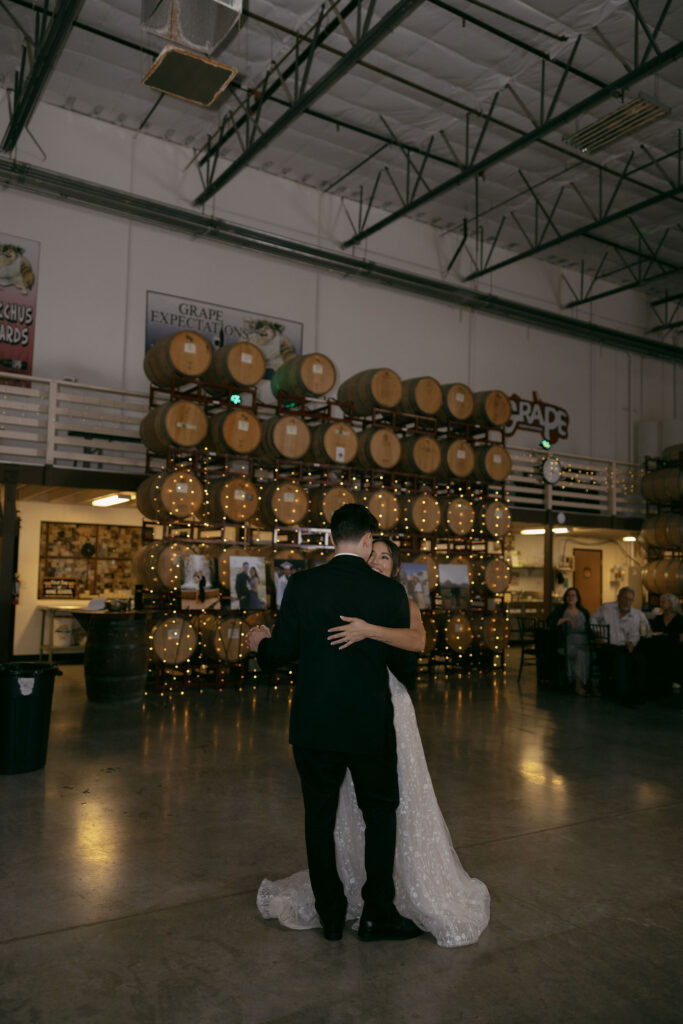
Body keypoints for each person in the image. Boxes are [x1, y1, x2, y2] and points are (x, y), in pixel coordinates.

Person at [254, 534, 490, 948]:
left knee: (384, 806)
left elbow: (417, 641)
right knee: (350, 810)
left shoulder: (395, 598)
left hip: (387, 711)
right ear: (363, 551)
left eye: (385, 557)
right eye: (374, 554)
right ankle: (361, 900)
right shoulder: (359, 593)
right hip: (356, 716)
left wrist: (368, 630)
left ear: (394, 566)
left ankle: (373, 903)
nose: (378, 561)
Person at [248, 505, 422, 943]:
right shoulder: (386, 592)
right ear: (367, 540)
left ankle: (330, 914)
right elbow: (406, 666)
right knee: (381, 814)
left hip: (314, 724)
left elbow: (283, 652)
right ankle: (377, 913)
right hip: (368, 724)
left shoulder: (303, 584)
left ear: (332, 538)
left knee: (318, 818)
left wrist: (260, 645)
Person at [591, 587, 650, 707]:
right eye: (624, 598)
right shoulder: (607, 608)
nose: (626, 602)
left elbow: (635, 634)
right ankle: (625, 696)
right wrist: (597, 632)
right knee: (619, 658)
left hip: (624, 646)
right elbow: (592, 619)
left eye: (630, 600)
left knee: (639, 659)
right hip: (608, 645)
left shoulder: (636, 615)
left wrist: (632, 643)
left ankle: (639, 695)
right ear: (618, 598)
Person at [548, 587, 592, 696]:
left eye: (573, 595)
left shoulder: (584, 612)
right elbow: (551, 622)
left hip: (584, 642)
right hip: (568, 643)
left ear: (577, 598)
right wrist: (567, 619)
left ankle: (586, 684)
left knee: (585, 653)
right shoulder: (560, 610)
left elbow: (590, 629)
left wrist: (590, 642)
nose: (571, 597)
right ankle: (578, 685)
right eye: (568, 595)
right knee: (581, 654)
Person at [647, 593, 683, 697]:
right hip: (660, 647)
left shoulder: (680, 619)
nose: (660, 604)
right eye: (660, 602)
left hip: (675, 647)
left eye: (663, 602)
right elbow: (652, 632)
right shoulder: (658, 619)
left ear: (671, 604)